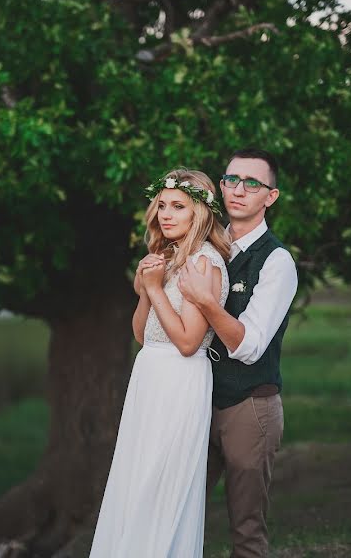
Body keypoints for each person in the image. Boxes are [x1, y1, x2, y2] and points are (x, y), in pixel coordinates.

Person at [89, 168, 232, 558]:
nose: (166, 214)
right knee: (135, 479)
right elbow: (142, 333)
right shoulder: (163, 257)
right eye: (162, 205)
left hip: (179, 379)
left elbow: (188, 341)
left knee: (160, 484)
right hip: (148, 376)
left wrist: (155, 290)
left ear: (200, 213)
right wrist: (144, 291)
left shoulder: (205, 263)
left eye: (179, 207)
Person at [178, 148, 298, 558]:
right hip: (197, 400)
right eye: (230, 180)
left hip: (248, 406)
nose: (238, 190)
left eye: (252, 183)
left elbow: (249, 346)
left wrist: (208, 303)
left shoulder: (276, 261)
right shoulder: (205, 248)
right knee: (177, 510)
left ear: (271, 196)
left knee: (246, 529)